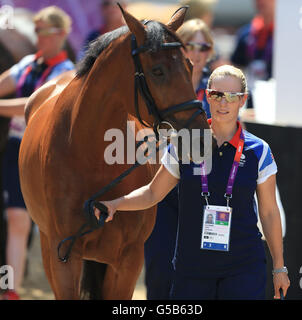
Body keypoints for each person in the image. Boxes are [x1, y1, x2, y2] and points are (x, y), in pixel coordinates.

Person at [95, 65, 290, 300]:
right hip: (192, 269)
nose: (223, 103)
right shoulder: (184, 143)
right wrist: (115, 204)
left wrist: (279, 267)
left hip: (244, 267)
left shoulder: (259, 150)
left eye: (232, 96)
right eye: (217, 95)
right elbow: (152, 193)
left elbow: (269, 213)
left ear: (243, 100)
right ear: (207, 96)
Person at [0, 6, 75, 300]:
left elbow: (34, 106)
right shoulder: (29, 63)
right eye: (38, 31)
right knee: (16, 220)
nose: (41, 37)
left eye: (47, 31)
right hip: (17, 147)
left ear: (62, 34)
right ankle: (12, 290)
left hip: (45, 153)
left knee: (48, 226)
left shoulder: (65, 71)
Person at [144, 18, 214, 300]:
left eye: (204, 46)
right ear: (178, 48)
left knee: (198, 270)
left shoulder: (219, 86)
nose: (197, 53)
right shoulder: (160, 83)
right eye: (191, 45)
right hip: (164, 184)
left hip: (205, 189)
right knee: (160, 265)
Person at [230, 0, 275, 108]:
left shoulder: (285, 33)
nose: (262, 3)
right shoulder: (246, 32)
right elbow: (236, 66)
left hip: (276, 97)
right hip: (251, 97)